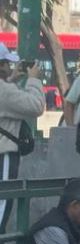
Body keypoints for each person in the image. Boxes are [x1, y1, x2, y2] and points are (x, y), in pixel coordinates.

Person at [0, 44, 44, 229]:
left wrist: (10, 80)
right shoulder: (4, 89)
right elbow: (36, 106)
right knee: (3, 201)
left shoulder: (5, 87)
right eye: (6, 64)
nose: (10, 67)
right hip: (4, 153)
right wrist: (34, 80)